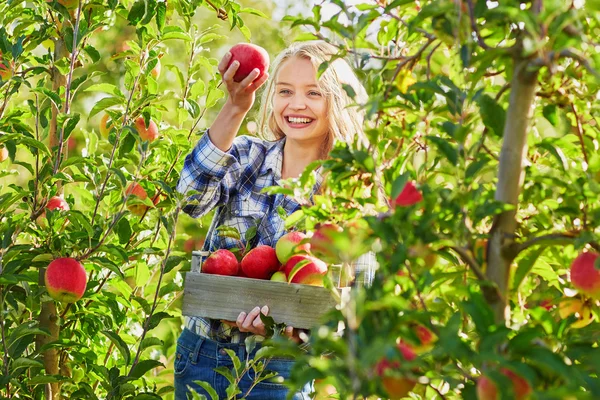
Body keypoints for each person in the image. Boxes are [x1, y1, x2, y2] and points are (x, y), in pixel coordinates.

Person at [175, 40, 376, 400]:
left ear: (337, 100)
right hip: (202, 353)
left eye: (313, 92)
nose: (296, 104)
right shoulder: (245, 157)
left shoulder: (349, 192)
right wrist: (235, 108)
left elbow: (359, 305)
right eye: (285, 91)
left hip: (280, 372)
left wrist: (289, 333)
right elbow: (190, 199)